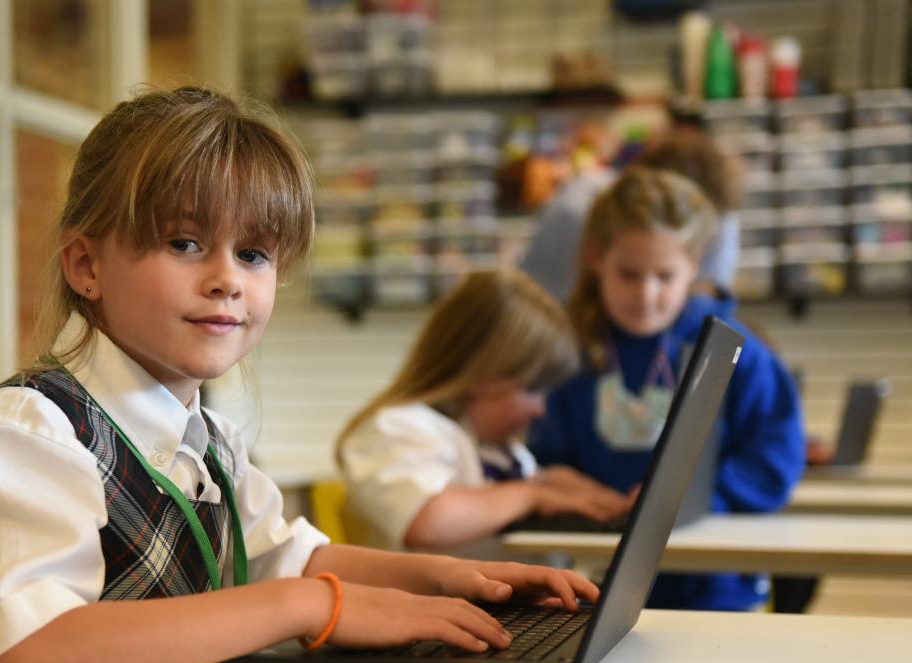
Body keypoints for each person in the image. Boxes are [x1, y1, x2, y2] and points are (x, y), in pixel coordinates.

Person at [0, 86, 599, 663]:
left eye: (254, 255)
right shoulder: (25, 436)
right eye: (186, 242)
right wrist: (309, 605)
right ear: (86, 266)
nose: (227, 279)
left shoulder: (207, 441)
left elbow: (292, 559)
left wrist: (459, 582)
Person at [529, 166, 806, 615]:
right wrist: (567, 490)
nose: (646, 293)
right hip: (598, 585)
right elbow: (543, 459)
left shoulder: (734, 351)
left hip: (717, 587)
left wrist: (687, 498)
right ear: (597, 258)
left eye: (665, 276)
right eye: (629, 274)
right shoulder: (570, 351)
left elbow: (774, 461)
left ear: (693, 267)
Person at [336, 268, 632, 556]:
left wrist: (553, 484)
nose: (540, 409)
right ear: (482, 374)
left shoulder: (499, 450)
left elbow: (496, 492)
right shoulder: (396, 429)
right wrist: (532, 495)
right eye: (533, 387)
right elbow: (428, 519)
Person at [520, 123, 742, 303]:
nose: (646, 292)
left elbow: (708, 296)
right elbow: (604, 309)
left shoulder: (719, 211)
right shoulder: (581, 213)